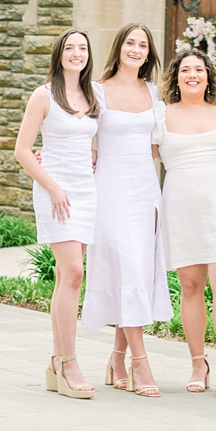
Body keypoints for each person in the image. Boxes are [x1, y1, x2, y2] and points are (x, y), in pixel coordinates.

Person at [81, 23, 170, 395]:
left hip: (145, 189)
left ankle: (117, 357)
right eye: (130, 43)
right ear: (119, 48)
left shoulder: (152, 91)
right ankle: (141, 364)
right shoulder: (96, 92)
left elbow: (159, 146)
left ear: (149, 54)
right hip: (109, 190)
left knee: (136, 271)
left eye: (143, 45)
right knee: (129, 268)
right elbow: (77, 138)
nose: (136, 49)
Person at [154, 45, 216, 397]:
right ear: (176, 77)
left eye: (199, 69)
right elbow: (133, 154)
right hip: (180, 208)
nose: (193, 75)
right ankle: (197, 364)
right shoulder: (161, 115)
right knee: (190, 287)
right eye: (185, 70)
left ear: (209, 76)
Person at [14, 28, 99, 398]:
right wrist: (53, 187)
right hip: (55, 192)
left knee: (69, 277)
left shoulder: (93, 94)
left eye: (82, 48)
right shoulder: (44, 94)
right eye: (70, 48)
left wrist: (93, 153)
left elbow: (89, 139)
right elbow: (22, 150)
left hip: (86, 189)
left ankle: (55, 361)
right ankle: (68, 363)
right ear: (59, 53)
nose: (76, 53)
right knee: (74, 273)